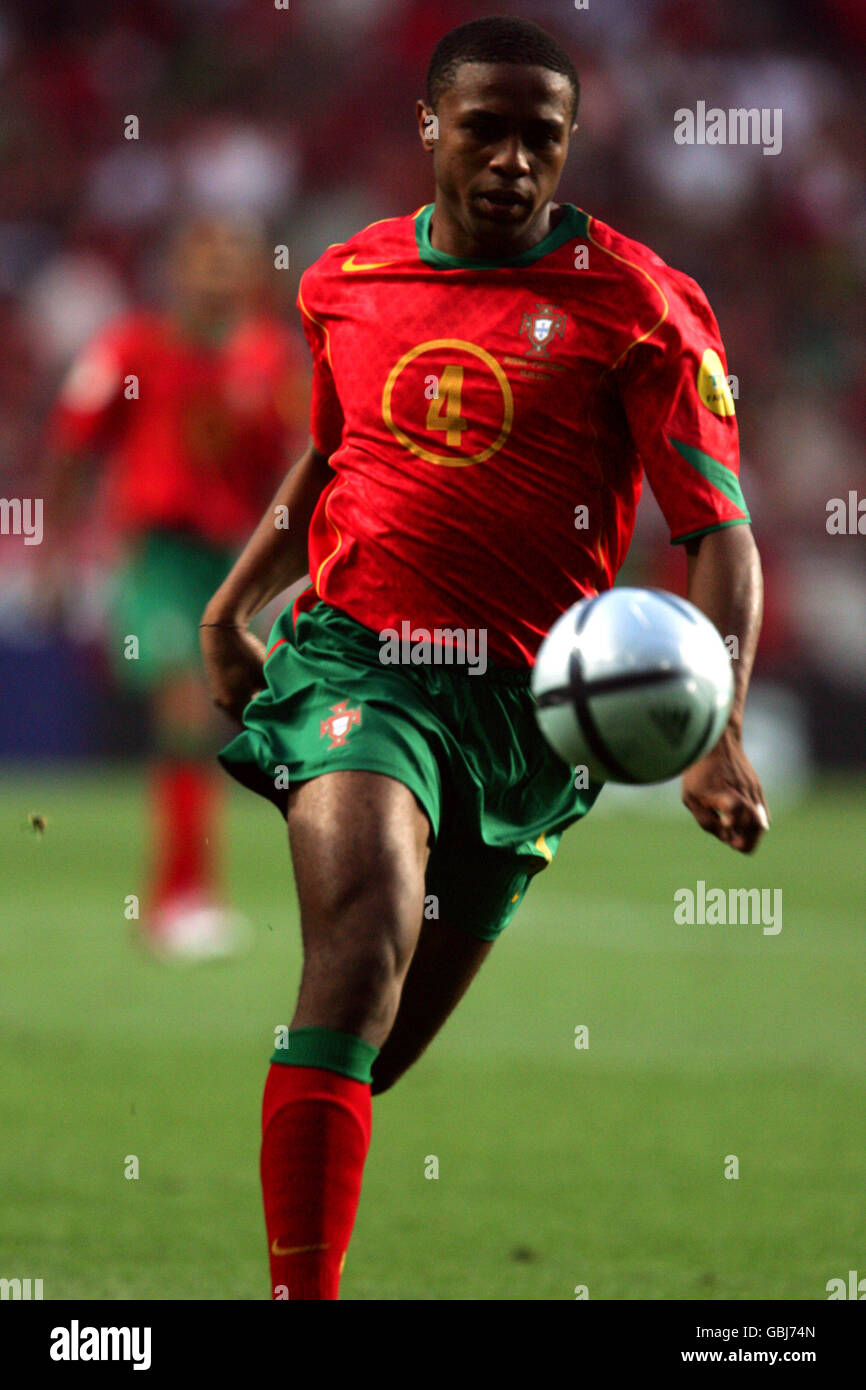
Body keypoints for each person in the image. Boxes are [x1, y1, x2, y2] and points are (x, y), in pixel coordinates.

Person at [201, 16, 769, 1299]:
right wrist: (235, 600)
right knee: (354, 951)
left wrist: (717, 735)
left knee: (373, 1045)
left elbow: (718, 537)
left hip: (531, 717)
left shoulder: (644, 308)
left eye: (542, 138)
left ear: (568, 148)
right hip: (363, 662)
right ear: (430, 130)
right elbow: (333, 452)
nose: (514, 160)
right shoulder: (343, 278)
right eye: (485, 129)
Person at [44, 217, 308, 958]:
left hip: (232, 563)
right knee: (187, 705)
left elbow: (294, 465)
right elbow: (71, 446)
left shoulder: (268, 359)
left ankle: (184, 897)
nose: (215, 271)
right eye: (202, 254)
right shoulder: (130, 348)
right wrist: (53, 552)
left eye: (231, 256)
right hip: (157, 557)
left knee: (214, 723)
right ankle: (179, 901)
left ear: (252, 271)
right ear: (175, 268)